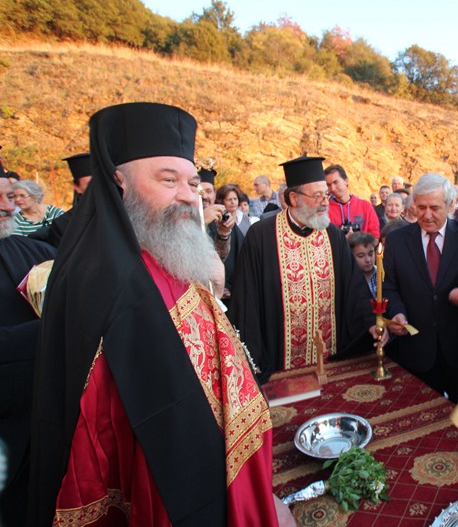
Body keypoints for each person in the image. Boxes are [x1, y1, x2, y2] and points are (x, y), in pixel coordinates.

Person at [28, 103, 289, 525]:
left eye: (191, 181)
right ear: (119, 182)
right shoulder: (104, 279)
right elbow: (126, 429)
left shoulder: (162, 247)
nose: (188, 195)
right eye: (168, 180)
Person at [230, 156, 375, 382]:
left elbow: (354, 288)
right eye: (317, 196)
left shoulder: (333, 235)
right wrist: (254, 360)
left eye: (326, 195)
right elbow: (247, 301)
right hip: (280, 365)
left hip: (330, 362)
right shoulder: (261, 236)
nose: (325, 202)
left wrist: (370, 324)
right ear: (294, 198)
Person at [383, 173, 458, 402]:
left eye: (434, 208)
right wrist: (397, 312)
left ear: (450, 205)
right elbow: (389, 286)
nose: (427, 215)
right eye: (421, 207)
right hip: (415, 349)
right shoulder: (397, 240)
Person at [0, 171, 56, 526]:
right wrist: (50, 333)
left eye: (9, 195)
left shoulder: (37, 252)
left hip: (41, 430)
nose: (8, 207)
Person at [28, 153, 93, 248]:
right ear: (77, 187)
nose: (98, 188)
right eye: (90, 184)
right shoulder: (64, 225)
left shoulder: (120, 212)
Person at [325, 164, 380, 239]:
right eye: (329, 185)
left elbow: (375, 235)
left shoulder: (365, 206)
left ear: (346, 181)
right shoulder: (325, 211)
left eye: (336, 182)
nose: (333, 188)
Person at [347, 231, 378, 298]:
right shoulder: (349, 278)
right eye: (361, 256)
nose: (368, 260)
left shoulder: (381, 274)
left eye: (370, 254)